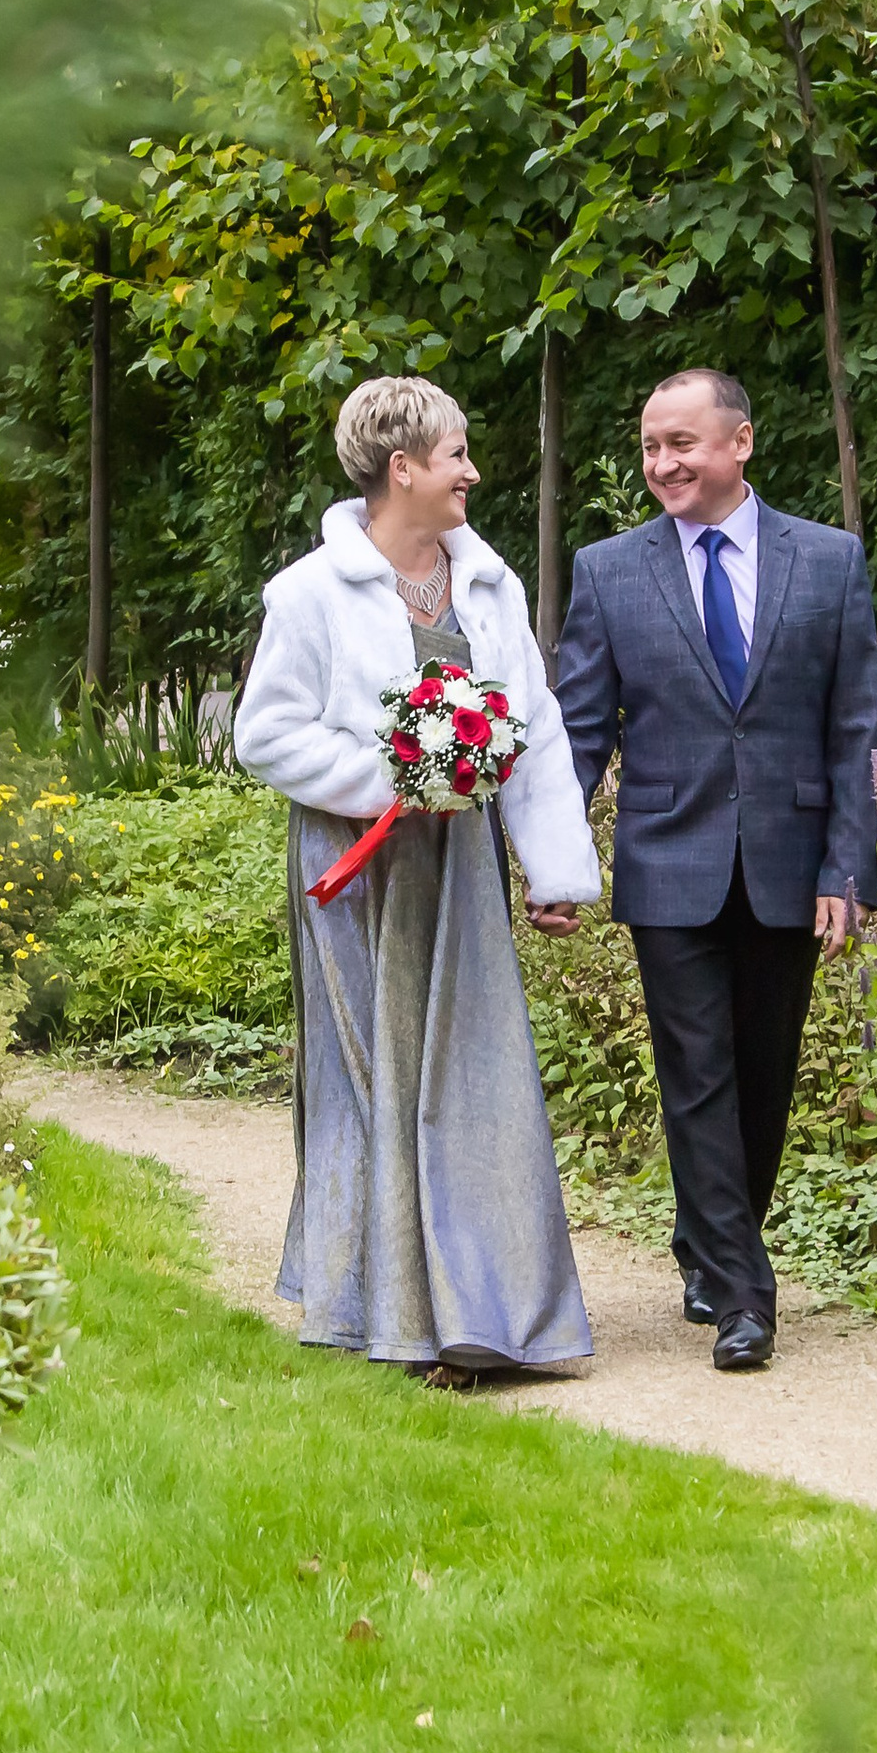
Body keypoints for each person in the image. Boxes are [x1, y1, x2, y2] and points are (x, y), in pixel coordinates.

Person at [234, 374, 601, 1381]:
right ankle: (389, 1314)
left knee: (477, 1079)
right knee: (379, 1079)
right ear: (403, 469)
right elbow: (263, 734)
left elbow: (530, 728)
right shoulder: (309, 593)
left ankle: (491, 1313)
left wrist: (552, 869)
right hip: (359, 873)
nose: (471, 471)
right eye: (455, 455)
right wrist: (392, 777)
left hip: (463, 870)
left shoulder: (489, 585)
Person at [554, 369, 877, 1373]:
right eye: (651, 447)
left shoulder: (828, 562)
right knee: (696, 1072)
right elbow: (577, 732)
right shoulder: (608, 572)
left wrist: (847, 867)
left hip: (787, 862)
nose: (662, 464)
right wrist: (556, 861)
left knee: (763, 1075)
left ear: (740, 442)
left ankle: (706, 1245)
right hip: (667, 861)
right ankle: (745, 1293)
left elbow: (850, 729)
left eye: (682, 443)